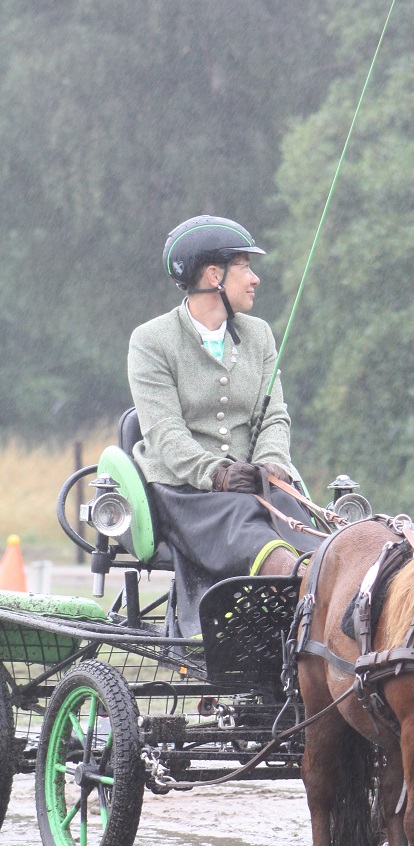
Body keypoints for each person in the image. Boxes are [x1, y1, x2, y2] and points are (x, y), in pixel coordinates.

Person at [128, 214, 321, 633]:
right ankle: (304, 594)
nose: (255, 279)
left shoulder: (260, 336)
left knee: (310, 534)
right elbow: (163, 432)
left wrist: (270, 464)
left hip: (254, 485)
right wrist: (215, 475)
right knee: (253, 534)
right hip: (184, 493)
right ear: (214, 276)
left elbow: (273, 415)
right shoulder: (151, 341)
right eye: (245, 267)